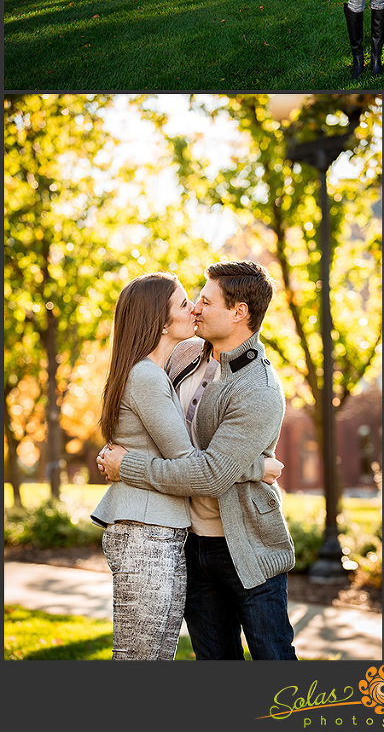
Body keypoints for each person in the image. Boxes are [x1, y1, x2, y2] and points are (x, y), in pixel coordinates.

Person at [99, 260, 298, 660]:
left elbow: (209, 475)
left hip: (245, 545)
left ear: (239, 312)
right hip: (187, 539)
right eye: (193, 301)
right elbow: (151, 423)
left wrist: (128, 467)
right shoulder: (183, 354)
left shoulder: (258, 389)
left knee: (273, 661)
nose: (195, 309)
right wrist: (254, 467)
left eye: (205, 302)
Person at [91, 272, 199, 660]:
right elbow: (187, 465)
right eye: (184, 304)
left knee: (155, 657)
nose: (194, 309)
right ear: (162, 320)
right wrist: (256, 466)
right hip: (144, 534)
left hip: (161, 530)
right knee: (139, 659)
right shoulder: (146, 377)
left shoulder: (148, 373)